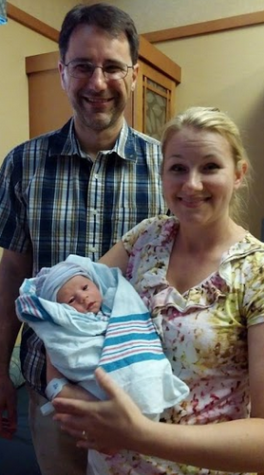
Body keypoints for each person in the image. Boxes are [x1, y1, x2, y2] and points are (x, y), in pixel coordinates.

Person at [0, 3, 167, 474]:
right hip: (50, 392)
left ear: (133, 76)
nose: (98, 83)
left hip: (137, 390)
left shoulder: (169, 170)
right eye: (83, 66)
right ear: (62, 72)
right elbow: (12, 270)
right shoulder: (22, 164)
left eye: (113, 67)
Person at [52, 106, 264, 475]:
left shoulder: (255, 272)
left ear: (239, 174)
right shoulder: (145, 238)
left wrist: (137, 434)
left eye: (211, 167)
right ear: (162, 174)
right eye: (178, 168)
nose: (191, 184)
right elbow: (61, 309)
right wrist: (63, 392)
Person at [16, 255, 189, 419]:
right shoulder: (69, 323)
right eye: (70, 300)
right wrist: (57, 388)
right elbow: (65, 349)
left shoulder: (115, 303)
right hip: (86, 390)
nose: (83, 297)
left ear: (96, 283)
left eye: (85, 288)